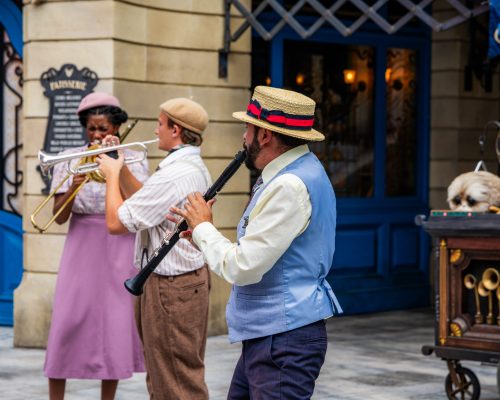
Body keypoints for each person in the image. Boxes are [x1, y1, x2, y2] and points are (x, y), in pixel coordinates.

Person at [170, 86, 343, 399]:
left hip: (283, 339)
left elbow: (244, 267)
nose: (243, 136)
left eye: (247, 128)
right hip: (273, 335)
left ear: (264, 135)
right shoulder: (298, 172)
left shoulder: (289, 185)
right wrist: (200, 236)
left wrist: (204, 228)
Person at [97, 98, 212, 400]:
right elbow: (145, 201)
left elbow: (116, 222)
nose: (155, 129)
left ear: (176, 130)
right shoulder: (187, 166)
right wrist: (119, 164)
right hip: (179, 283)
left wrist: (111, 175)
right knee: (168, 378)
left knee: (175, 384)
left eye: (160, 124)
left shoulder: (173, 175)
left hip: (170, 287)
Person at [44, 92, 148, 400]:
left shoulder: (132, 158)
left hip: (118, 243)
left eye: (103, 128)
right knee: (66, 321)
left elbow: (139, 205)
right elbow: (59, 217)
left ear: (116, 128)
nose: (97, 135)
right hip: (80, 245)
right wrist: (74, 186)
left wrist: (115, 169)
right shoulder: (70, 158)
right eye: (91, 129)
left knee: (113, 323)